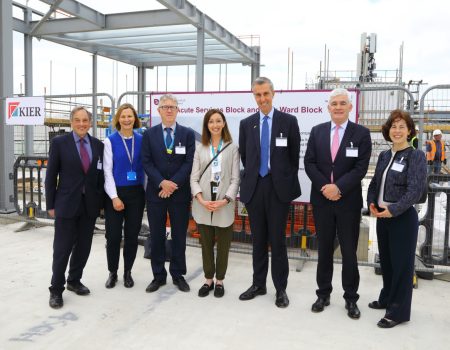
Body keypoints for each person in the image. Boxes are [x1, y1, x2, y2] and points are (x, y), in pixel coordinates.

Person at [304, 88, 371, 319]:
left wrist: (338, 188)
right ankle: (323, 294)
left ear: (350, 107)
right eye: (334, 104)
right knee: (323, 250)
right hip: (322, 201)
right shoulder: (317, 131)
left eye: (343, 103)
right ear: (328, 107)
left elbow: (361, 168)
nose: (339, 107)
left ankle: (351, 298)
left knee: (349, 253)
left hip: (348, 202)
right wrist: (326, 187)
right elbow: (310, 163)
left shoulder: (361, 133)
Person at [238, 77, 301, 308]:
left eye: (265, 94)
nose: (262, 99)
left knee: (278, 240)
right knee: (258, 241)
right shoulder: (247, 123)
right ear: (254, 96)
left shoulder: (288, 121)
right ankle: (258, 284)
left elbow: (294, 158)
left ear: (273, 94)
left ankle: (280, 288)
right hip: (255, 187)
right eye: (257, 95)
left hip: (278, 189)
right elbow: (246, 156)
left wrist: (281, 178)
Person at [367, 109, 427, 328]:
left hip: (402, 218)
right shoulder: (384, 155)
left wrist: (393, 210)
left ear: (409, 130)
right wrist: (371, 203)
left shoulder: (415, 156)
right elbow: (374, 183)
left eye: (402, 126)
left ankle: (398, 312)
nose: (397, 130)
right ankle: (387, 299)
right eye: (394, 126)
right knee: (388, 263)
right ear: (388, 130)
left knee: (402, 266)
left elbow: (414, 190)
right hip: (383, 217)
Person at [45, 106, 105, 309]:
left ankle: (74, 280)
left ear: (90, 122)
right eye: (77, 120)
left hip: (89, 206)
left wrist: (100, 204)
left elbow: (99, 177)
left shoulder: (98, 145)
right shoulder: (59, 143)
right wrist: (51, 205)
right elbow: (51, 176)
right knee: (62, 249)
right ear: (71, 122)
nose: (81, 124)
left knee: (83, 247)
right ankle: (56, 289)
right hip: (66, 205)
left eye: (85, 120)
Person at [141, 94, 195, 293]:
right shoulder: (149, 134)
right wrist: (162, 183)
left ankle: (178, 274)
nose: (169, 110)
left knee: (180, 235)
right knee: (156, 235)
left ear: (178, 110)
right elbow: (146, 162)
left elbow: (189, 163)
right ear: (159, 110)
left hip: (179, 194)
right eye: (165, 107)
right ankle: (158, 275)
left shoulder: (187, 134)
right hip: (156, 194)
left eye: (172, 106)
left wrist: (172, 184)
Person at [190, 109, 240, 298]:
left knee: (224, 245)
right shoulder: (200, 147)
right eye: (211, 121)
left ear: (224, 123)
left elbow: (235, 179)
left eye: (219, 121)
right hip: (203, 203)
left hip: (223, 203)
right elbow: (193, 178)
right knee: (206, 244)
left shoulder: (232, 148)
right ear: (206, 125)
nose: (215, 125)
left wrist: (225, 200)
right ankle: (208, 279)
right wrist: (201, 199)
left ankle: (220, 280)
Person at [103, 103, 145, 289]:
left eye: (130, 116)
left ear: (135, 119)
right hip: (115, 193)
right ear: (118, 119)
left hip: (136, 193)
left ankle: (128, 272)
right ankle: (113, 272)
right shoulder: (109, 141)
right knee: (112, 236)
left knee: (131, 235)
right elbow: (107, 171)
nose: (127, 119)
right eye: (123, 116)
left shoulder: (142, 139)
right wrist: (114, 197)